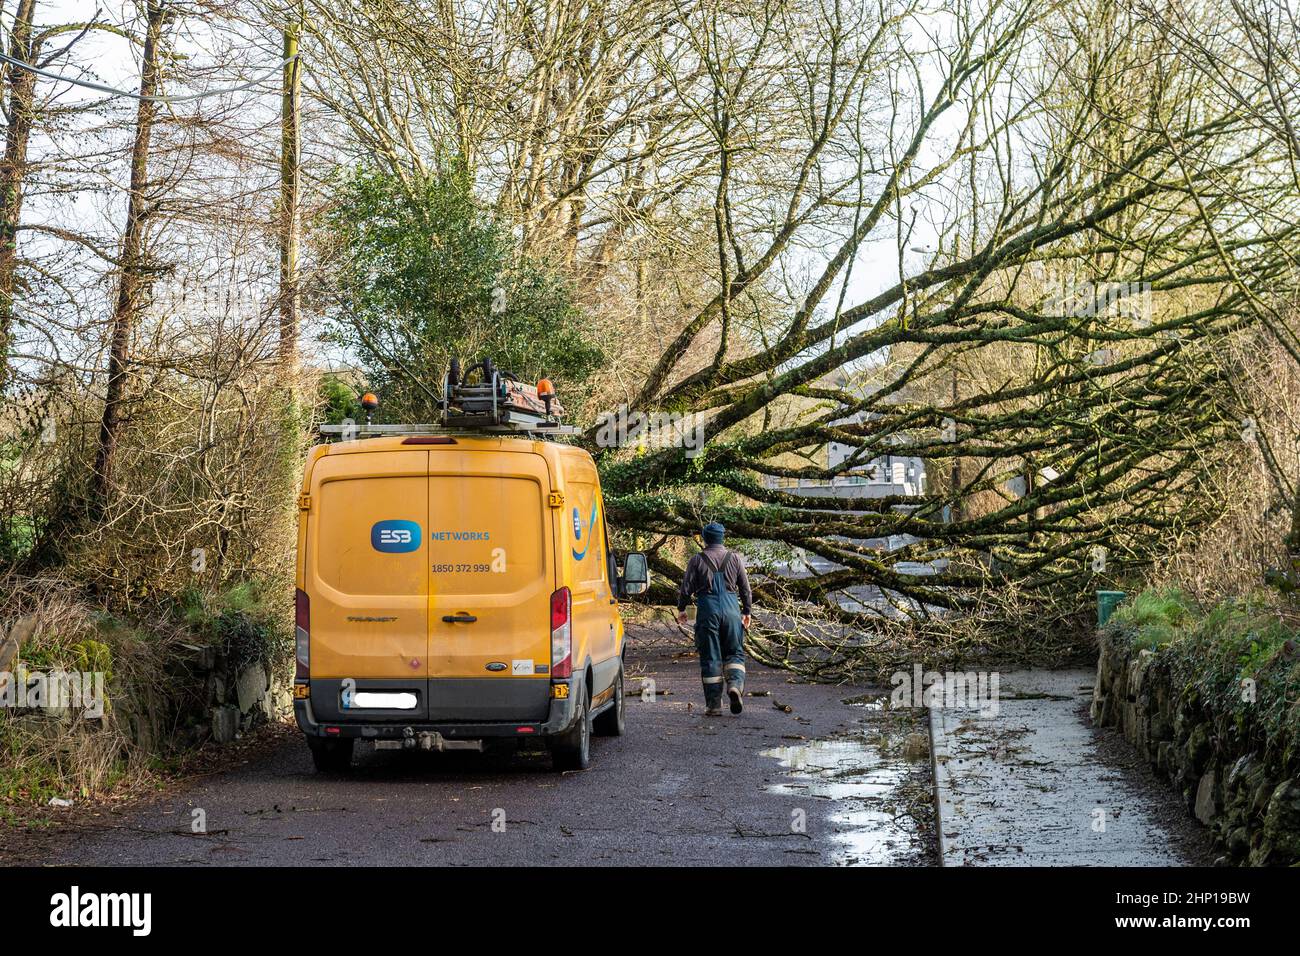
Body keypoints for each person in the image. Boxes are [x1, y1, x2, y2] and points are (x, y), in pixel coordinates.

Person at [676, 522, 753, 716]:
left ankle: (714, 705)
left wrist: (682, 608)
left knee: (711, 657)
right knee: (735, 653)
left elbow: (686, 588)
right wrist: (747, 612)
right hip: (731, 609)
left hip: (707, 609)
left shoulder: (697, 560)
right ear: (722, 538)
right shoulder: (735, 558)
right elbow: (745, 589)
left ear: (705, 539)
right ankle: (735, 685)